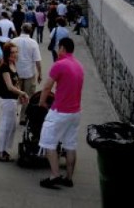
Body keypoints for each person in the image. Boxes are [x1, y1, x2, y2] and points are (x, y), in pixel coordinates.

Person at [38, 37, 85, 189]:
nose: (58, 51)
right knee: (70, 144)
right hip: (75, 111)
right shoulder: (79, 66)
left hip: (60, 111)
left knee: (48, 141)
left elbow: (47, 87)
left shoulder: (59, 65)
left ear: (63, 48)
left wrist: (42, 102)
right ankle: (69, 178)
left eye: (59, 48)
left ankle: (55, 175)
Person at [0, 42, 29, 162]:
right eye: (12, 52)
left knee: (11, 126)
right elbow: (9, 86)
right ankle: (1, 152)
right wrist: (22, 93)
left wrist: (19, 94)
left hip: (12, 99)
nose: (15, 54)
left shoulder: (13, 65)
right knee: (5, 126)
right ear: (7, 54)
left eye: (16, 52)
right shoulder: (5, 67)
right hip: (6, 99)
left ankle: (5, 150)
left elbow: (16, 84)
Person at [11, 23, 42, 125]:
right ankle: (23, 117)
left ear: (21, 29)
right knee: (28, 95)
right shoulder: (33, 43)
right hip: (29, 72)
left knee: (15, 94)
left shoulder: (14, 41)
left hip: (16, 72)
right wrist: (40, 73)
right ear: (31, 31)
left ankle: (12, 114)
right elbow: (37, 60)